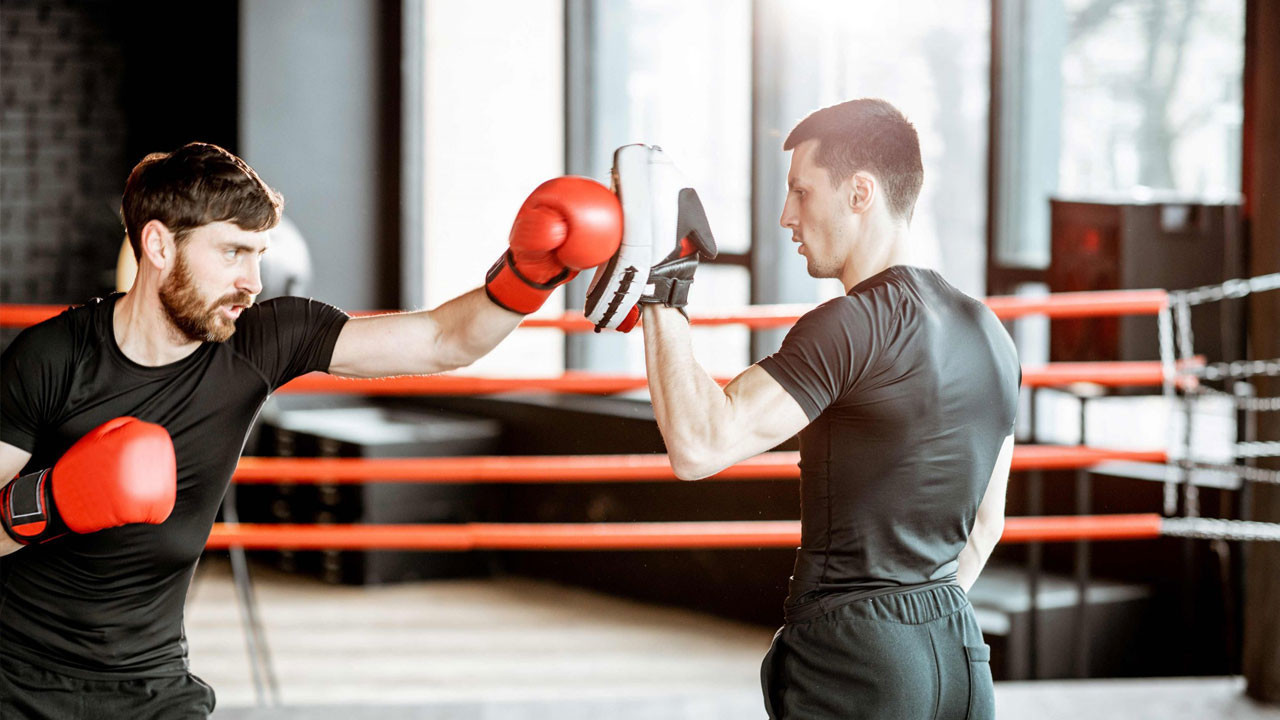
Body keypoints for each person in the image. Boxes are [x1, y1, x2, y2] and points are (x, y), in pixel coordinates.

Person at [0, 142, 622, 719]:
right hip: (13, 679)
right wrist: (54, 502)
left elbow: (443, 341)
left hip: (152, 684)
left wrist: (526, 276)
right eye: (232, 252)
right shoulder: (52, 358)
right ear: (159, 246)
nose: (254, 281)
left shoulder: (264, 340)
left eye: (259, 255)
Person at [587, 100, 1020, 718]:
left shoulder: (853, 325)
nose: (787, 215)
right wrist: (915, 634)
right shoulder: (991, 334)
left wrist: (663, 287)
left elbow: (700, 445)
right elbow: (986, 526)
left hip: (858, 660)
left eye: (800, 191)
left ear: (861, 192)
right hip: (960, 657)